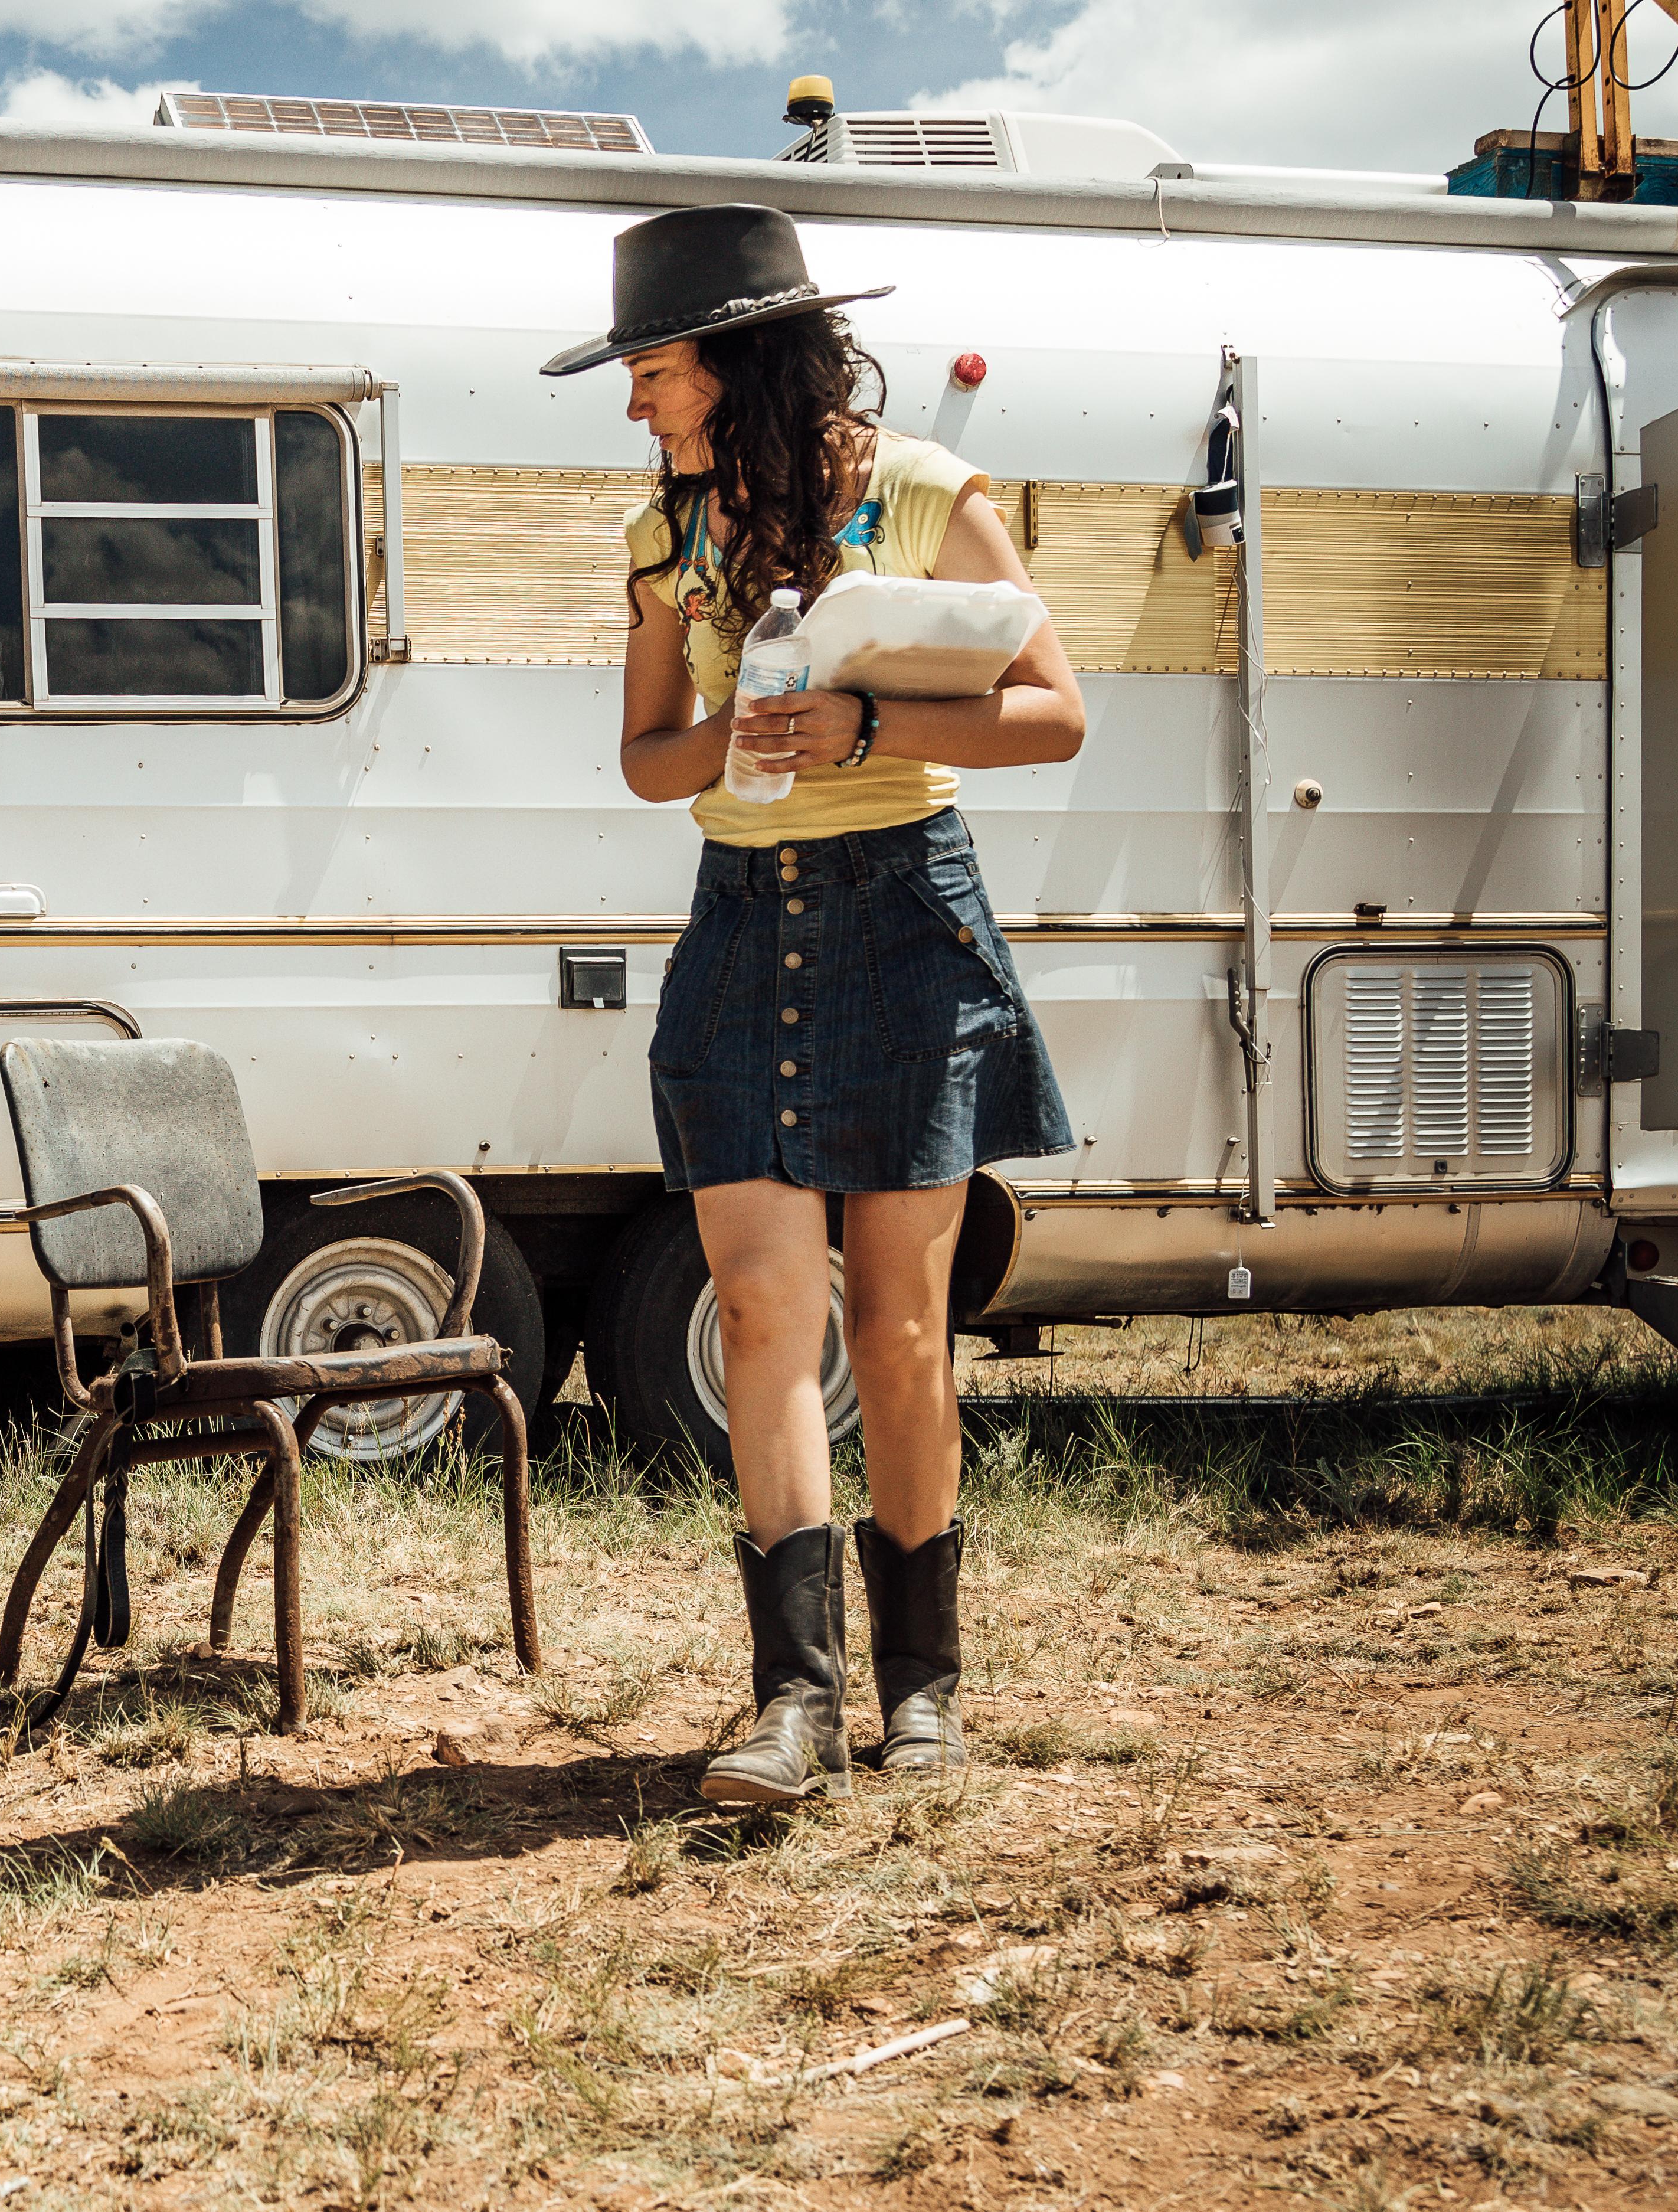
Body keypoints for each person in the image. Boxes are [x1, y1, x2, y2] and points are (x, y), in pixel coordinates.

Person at [541, 204, 1084, 1805]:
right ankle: (795, 1699)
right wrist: (738, 740)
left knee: (900, 1327)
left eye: (652, 366)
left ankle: (922, 1694)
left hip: (902, 911)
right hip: (741, 923)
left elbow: (1052, 713)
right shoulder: (668, 535)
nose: (636, 400)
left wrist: (864, 721)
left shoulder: (922, 491)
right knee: (770, 1315)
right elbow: (649, 759)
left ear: (735, 355)